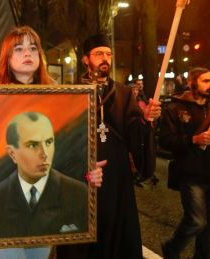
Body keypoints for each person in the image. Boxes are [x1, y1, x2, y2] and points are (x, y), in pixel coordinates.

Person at [0, 26, 104, 259]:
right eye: (19, 48)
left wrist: (87, 172)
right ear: (7, 57)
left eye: (33, 48)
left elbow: (68, 154)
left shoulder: (58, 98)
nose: (27, 53)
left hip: (45, 220)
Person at [57, 34, 162, 259]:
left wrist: (144, 119)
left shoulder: (124, 93)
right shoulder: (71, 92)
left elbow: (134, 132)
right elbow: (63, 135)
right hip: (81, 173)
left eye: (108, 54)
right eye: (98, 54)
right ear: (86, 60)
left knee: (116, 228)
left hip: (116, 174)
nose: (105, 58)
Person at [0, 112, 89, 239]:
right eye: (33, 145)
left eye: (48, 142)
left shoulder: (78, 194)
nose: (44, 153)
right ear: (12, 154)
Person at [159, 67, 210, 259]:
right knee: (197, 221)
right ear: (192, 84)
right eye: (205, 81)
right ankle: (172, 248)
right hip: (191, 174)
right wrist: (193, 140)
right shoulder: (175, 108)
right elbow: (165, 140)